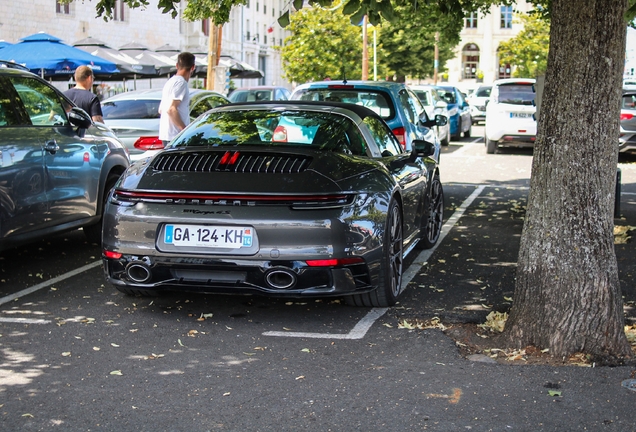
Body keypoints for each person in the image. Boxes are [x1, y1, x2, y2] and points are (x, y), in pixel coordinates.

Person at [159, 52, 196, 144]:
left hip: (166, 134)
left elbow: (161, 109)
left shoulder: (169, 82)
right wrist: (185, 130)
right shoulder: (181, 83)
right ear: (193, 67)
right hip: (176, 136)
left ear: (176, 65)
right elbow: (171, 110)